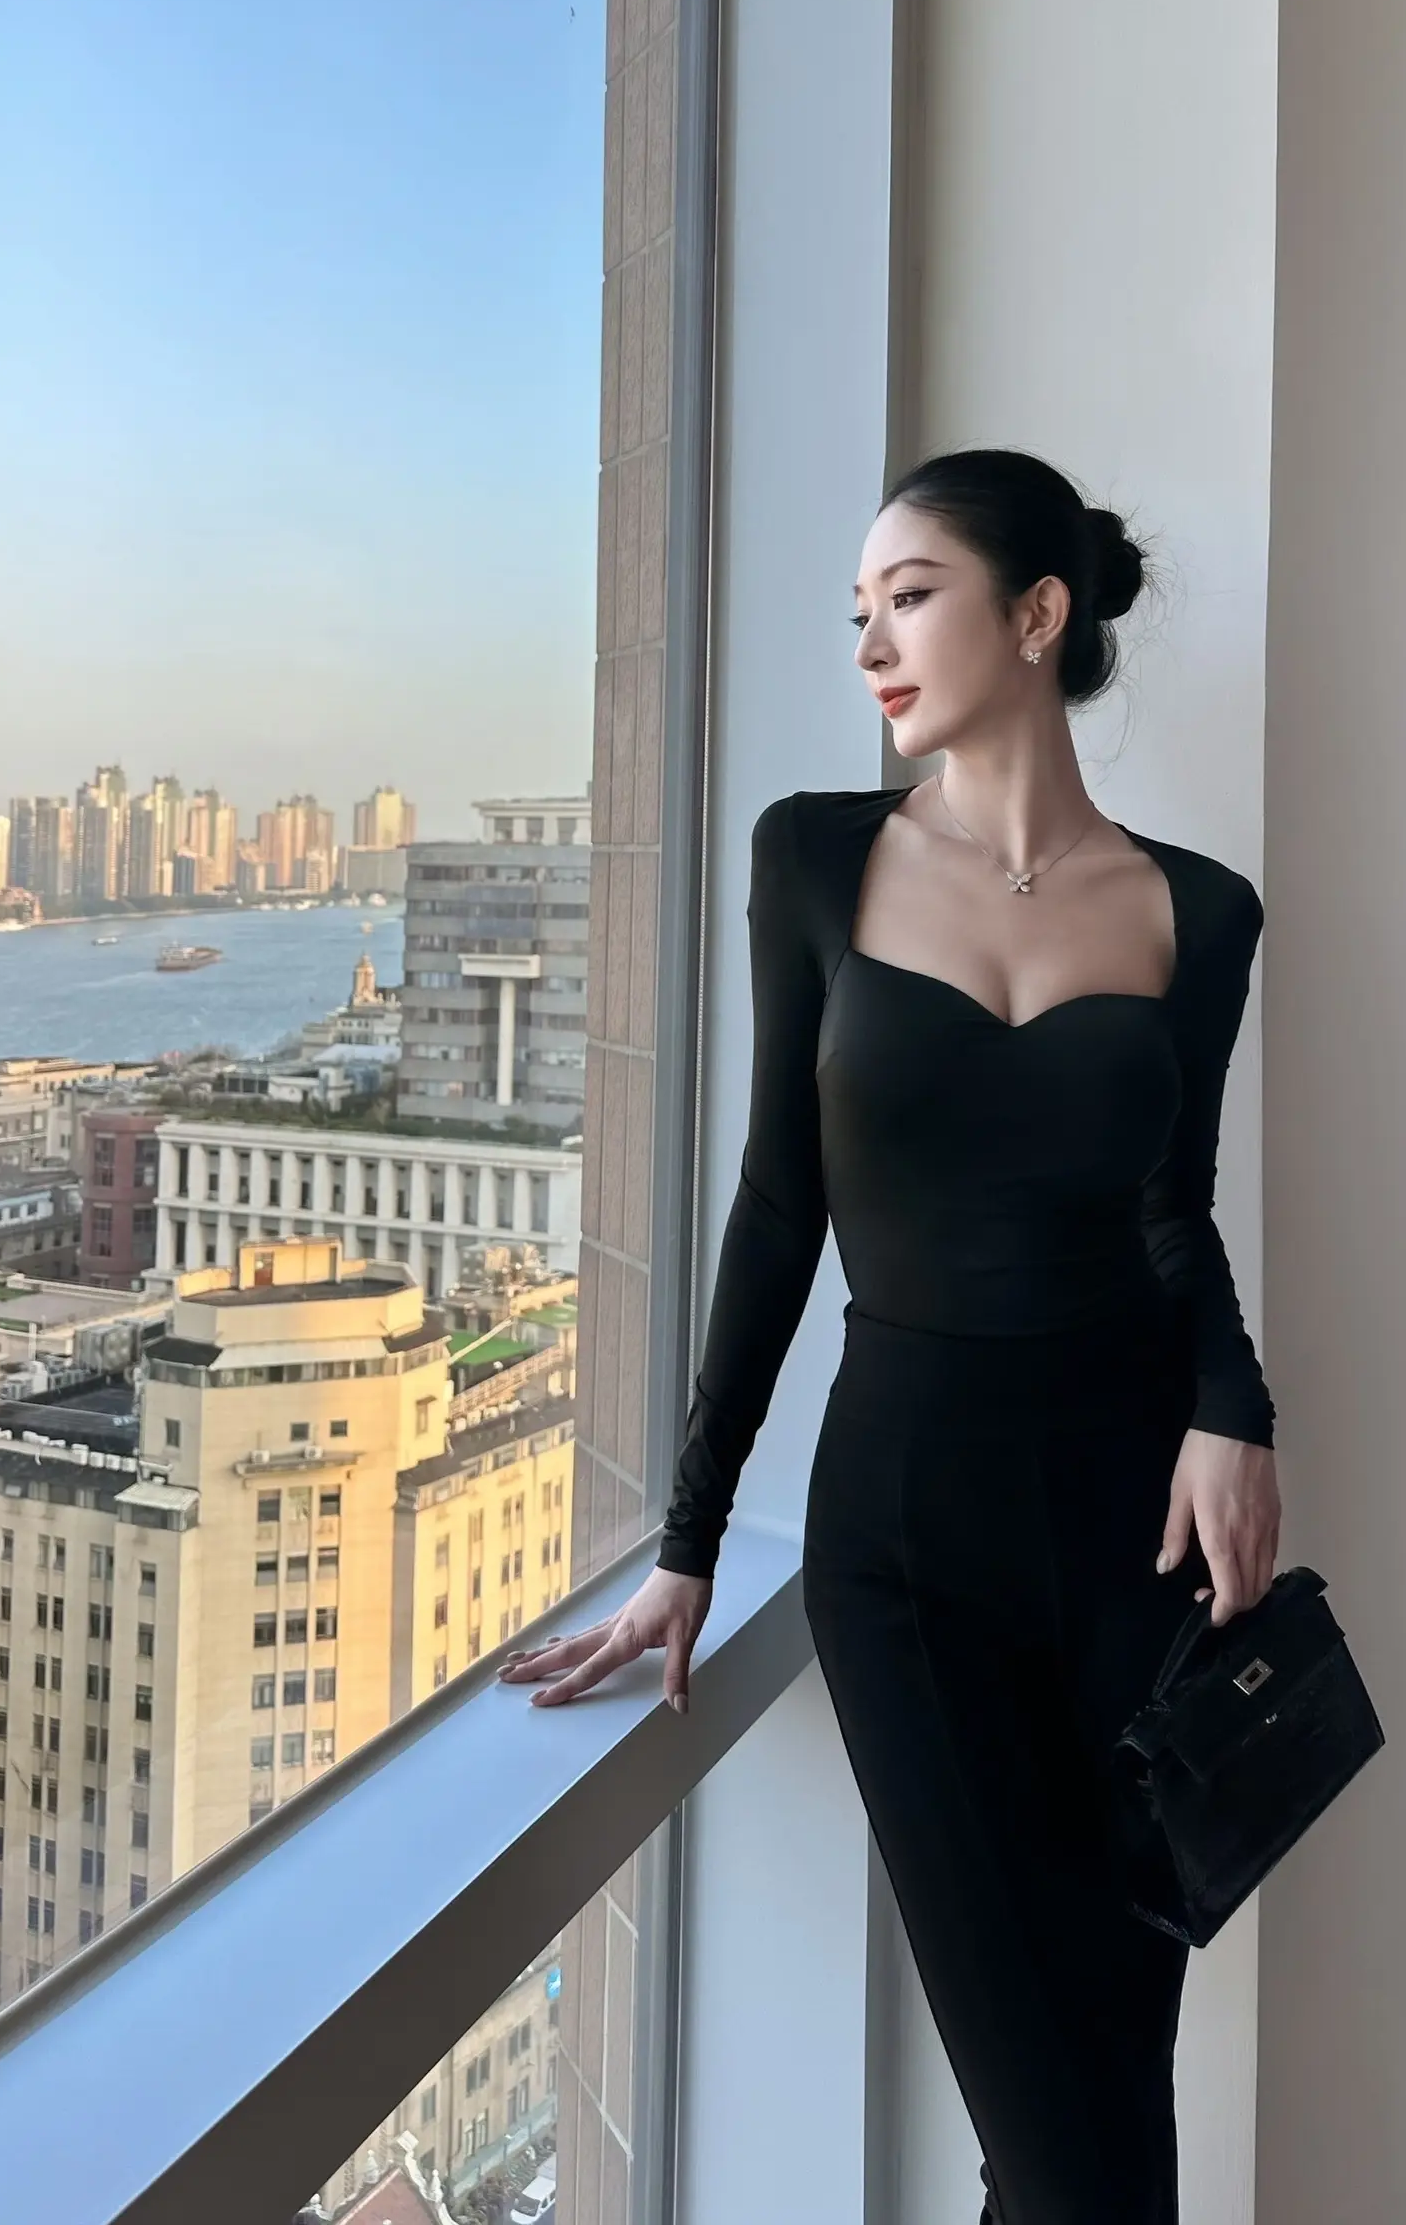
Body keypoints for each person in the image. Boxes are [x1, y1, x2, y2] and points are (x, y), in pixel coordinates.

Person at [497, 445, 1280, 2225]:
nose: (869, 645)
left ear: (1038, 613)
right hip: (910, 1556)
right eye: (858, 609)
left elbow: (1177, 1209)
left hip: (1145, 1552)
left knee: (1106, 2111)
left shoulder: (1202, 909)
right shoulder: (815, 857)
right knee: (1069, 2146)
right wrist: (688, 1542)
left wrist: (1240, 1411)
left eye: (908, 598)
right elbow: (779, 1206)